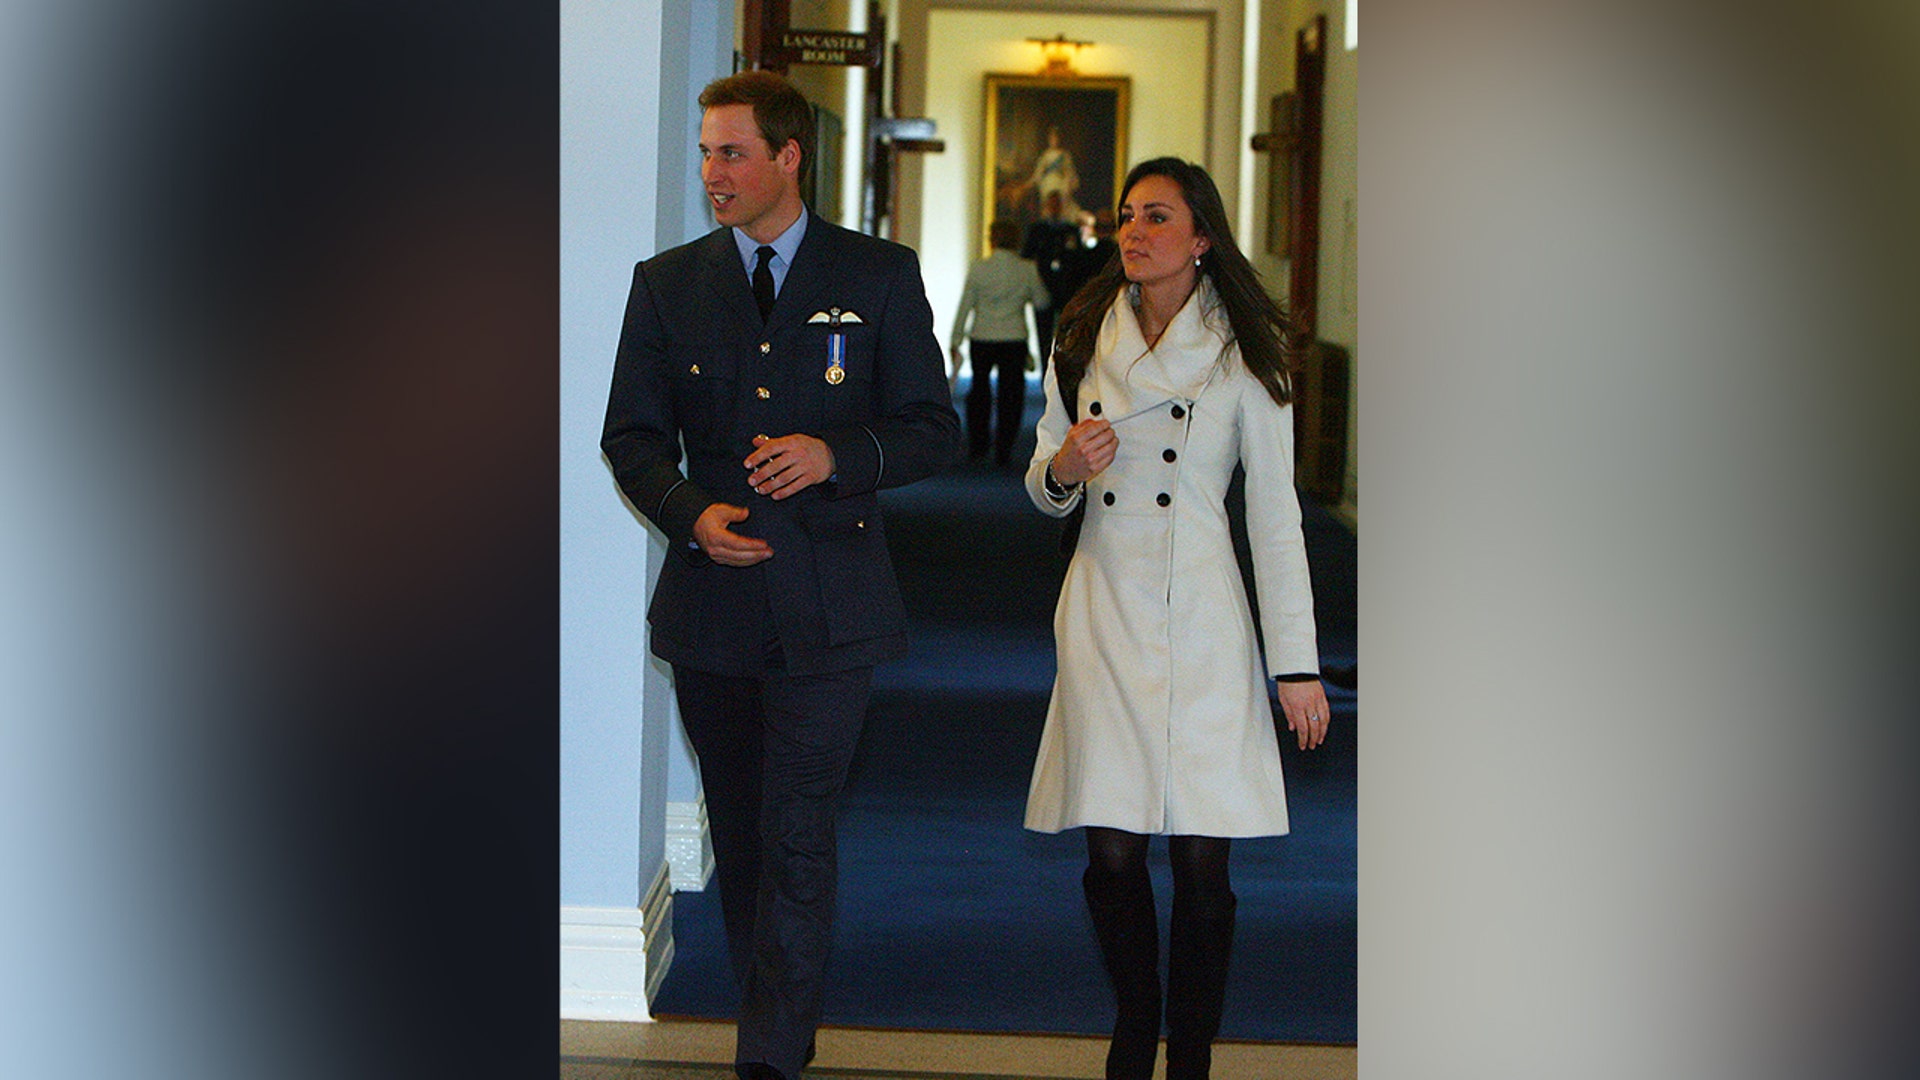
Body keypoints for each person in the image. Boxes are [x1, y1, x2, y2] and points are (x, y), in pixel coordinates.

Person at [600, 70, 960, 1080]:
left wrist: (837, 456)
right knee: (746, 839)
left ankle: (767, 1059)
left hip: (833, 606)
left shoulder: (878, 274)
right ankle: (777, 1022)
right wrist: (689, 514)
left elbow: (935, 429)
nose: (712, 172)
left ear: (787, 156)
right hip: (712, 608)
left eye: (731, 152)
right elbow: (630, 439)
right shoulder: (667, 282)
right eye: (707, 152)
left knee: (800, 834)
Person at [1023, 158, 1331, 1080]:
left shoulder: (1247, 355)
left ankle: (1189, 1052)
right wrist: (1065, 469)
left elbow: (1275, 520)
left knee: (1203, 864)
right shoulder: (1081, 338)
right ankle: (1135, 1019)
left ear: (1201, 240)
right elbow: (1044, 482)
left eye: (1157, 216)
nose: (1133, 231)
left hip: (1201, 613)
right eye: (1125, 215)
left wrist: (1298, 665)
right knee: (1110, 850)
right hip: (1103, 607)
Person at [951, 219, 1050, 466]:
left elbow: (966, 305)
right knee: (1012, 395)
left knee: (979, 391)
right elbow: (1042, 302)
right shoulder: (1027, 269)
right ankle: (1004, 447)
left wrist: (956, 338)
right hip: (1013, 338)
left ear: (991, 239)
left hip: (982, 337)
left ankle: (978, 446)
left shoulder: (978, 268)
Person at [1022, 190, 1080, 360]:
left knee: (1068, 335)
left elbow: (1078, 258)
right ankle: (1044, 374)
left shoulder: (1071, 229)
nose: (1056, 207)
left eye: (1059, 203)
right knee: (1043, 335)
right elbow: (1027, 256)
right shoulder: (1037, 229)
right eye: (1052, 203)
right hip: (1042, 286)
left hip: (1066, 289)